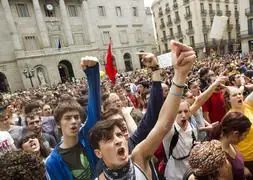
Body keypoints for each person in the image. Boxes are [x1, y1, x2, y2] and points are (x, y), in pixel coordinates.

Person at [89, 40, 196, 179]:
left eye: (119, 134)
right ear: (98, 153)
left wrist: (180, 75)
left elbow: (163, 124)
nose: (118, 140)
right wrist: (91, 76)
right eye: (109, 139)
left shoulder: (139, 157)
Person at [45, 56, 101, 179]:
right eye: (68, 118)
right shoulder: (52, 162)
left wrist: (92, 71)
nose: (74, 121)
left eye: (76, 117)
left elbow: (95, 108)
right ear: (58, 123)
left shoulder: (86, 137)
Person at [223, 86, 253, 174]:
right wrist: (242, 166)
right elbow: (227, 144)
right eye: (234, 95)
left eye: (240, 94)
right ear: (228, 99)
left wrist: (243, 84)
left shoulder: (248, 106)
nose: (239, 96)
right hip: (247, 159)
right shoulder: (230, 118)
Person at [218, 112, 252, 180]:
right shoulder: (222, 159)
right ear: (236, 133)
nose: (245, 138)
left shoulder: (231, 144)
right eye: (245, 135)